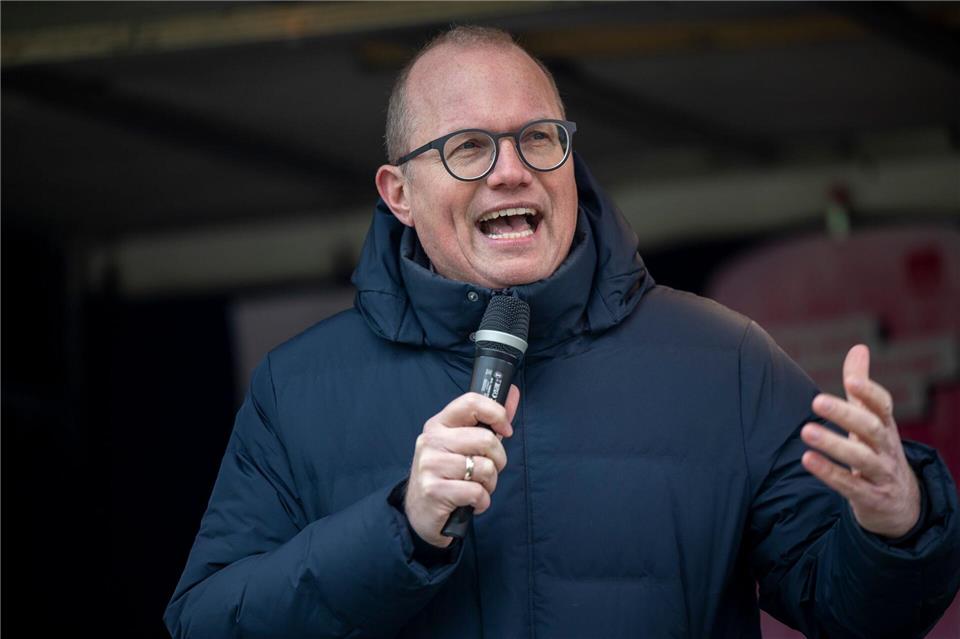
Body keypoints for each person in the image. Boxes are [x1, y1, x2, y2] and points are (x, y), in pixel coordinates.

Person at [164, 26, 960, 638]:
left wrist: (897, 522)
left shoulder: (724, 360)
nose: (511, 170)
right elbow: (204, 620)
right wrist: (398, 525)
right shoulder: (299, 385)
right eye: (468, 147)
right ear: (398, 191)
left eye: (538, 138)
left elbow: (862, 614)